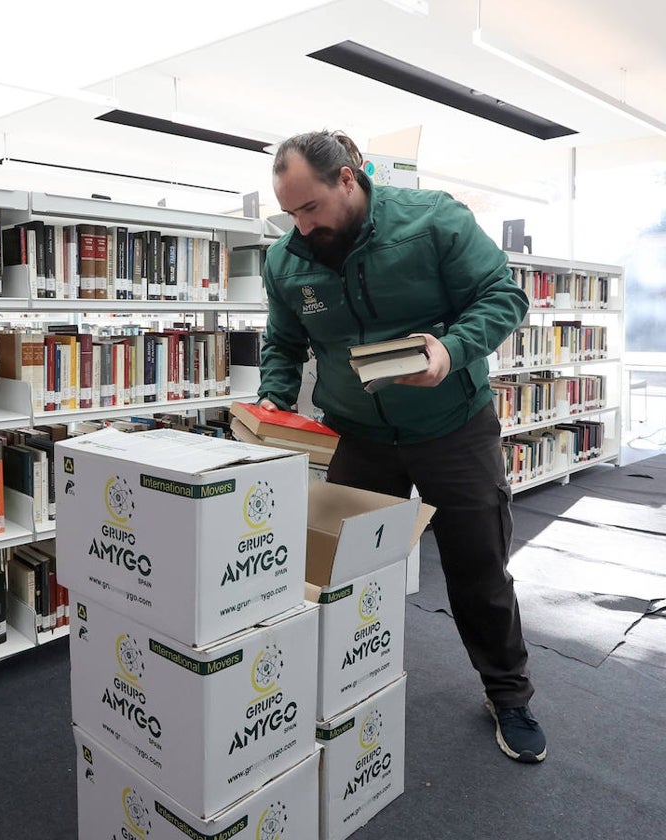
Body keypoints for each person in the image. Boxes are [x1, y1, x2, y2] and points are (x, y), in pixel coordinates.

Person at [257, 130, 547, 763]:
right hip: (360, 436)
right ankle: (337, 694)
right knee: (340, 574)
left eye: (310, 209)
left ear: (349, 177)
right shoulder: (285, 260)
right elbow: (283, 342)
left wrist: (450, 350)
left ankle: (509, 694)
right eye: (290, 213)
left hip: (453, 428)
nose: (302, 227)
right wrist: (274, 401)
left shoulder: (433, 220)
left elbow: (504, 296)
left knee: (478, 571)